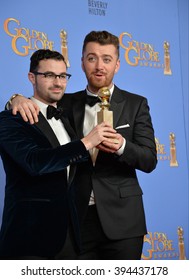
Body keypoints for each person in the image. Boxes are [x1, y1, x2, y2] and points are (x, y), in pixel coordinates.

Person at [6, 30, 157, 260]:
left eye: (107, 59)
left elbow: (149, 160)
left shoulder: (136, 104)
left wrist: (122, 146)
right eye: (91, 58)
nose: (99, 66)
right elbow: (38, 103)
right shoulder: (64, 101)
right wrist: (15, 99)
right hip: (75, 219)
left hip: (123, 221)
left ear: (117, 65)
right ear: (82, 63)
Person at [0, 48, 119, 260]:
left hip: (70, 237)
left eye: (63, 76)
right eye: (49, 75)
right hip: (30, 239)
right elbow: (34, 162)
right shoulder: (10, 119)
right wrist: (85, 143)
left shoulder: (65, 118)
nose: (58, 82)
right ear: (31, 78)